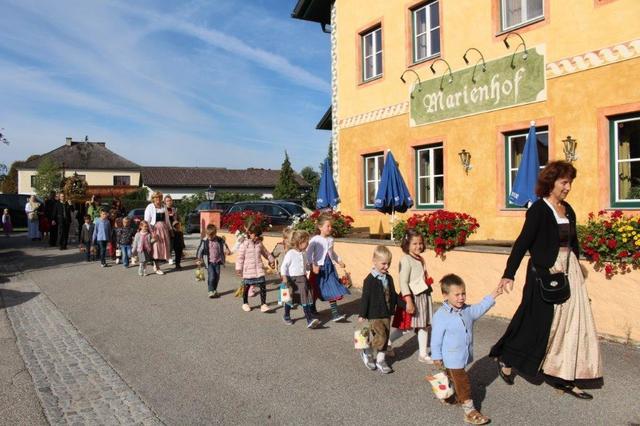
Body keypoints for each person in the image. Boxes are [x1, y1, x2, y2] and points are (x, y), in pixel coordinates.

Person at [490, 161, 602, 400]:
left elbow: (572, 242)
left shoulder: (568, 209)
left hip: (568, 271)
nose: (568, 187)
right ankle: (507, 357)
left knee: (572, 324)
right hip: (544, 273)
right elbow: (522, 243)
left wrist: (577, 267)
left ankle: (564, 375)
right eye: (564, 182)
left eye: (570, 182)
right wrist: (509, 273)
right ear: (550, 183)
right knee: (535, 321)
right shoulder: (539, 210)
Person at [431, 274, 502, 425]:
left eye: (463, 293)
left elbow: (481, 307)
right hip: (451, 357)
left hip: (462, 355)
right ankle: (470, 411)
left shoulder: (467, 310)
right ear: (445, 295)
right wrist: (436, 356)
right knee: (463, 382)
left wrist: (494, 294)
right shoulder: (441, 315)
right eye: (456, 294)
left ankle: (449, 397)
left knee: (453, 378)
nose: (461, 298)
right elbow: (436, 339)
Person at [391, 229, 434, 363]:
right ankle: (385, 343)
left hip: (423, 296)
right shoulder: (406, 260)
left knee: (424, 325)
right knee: (404, 328)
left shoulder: (420, 258)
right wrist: (409, 301)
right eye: (414, 243)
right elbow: (403, 282)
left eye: (420, 243)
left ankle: (422, 354)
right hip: (411, 297)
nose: (418, 246)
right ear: (407, 244)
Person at [358, 245, 398, 374]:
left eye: (389, 263)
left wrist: (405, 305)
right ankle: (367, 350)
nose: (386, 266)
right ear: (374, 261)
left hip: (386, 313)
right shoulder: (369, 280)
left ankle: (380, 360)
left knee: (385, 337)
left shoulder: (389, 278)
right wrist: (362, 314)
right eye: (383, 263)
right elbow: (365, 298)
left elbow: (393, 295)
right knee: (381, 336)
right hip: (374, 314)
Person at [307, 213, 349, 321]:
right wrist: (313, 265)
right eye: (328, 226)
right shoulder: (315, 239)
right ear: (320, 227)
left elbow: (332, 253)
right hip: (318, 269)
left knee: (332, 288)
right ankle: (312, 309)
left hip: (329, 268)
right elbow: (308, 253)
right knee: (315, 290)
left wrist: (339, 261)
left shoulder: (331, 239)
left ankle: (335, 314)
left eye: (331, 226)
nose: (330, 228)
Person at [280, 230, 320, 328]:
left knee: (305, 298)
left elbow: (306, 266)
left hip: (302, 279)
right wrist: (284, 278)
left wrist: (309, 267)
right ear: (300, 242)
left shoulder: (304, 253)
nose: (308, 243)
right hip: (292, 280)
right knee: (290, 299)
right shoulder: (290, 253)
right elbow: (283, 267)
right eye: (307, 241)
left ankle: (309, 319)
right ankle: (286, 315)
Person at [235, 223, 275, 312]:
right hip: (248, 269)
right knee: (247, 286)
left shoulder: (259, 243)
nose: (256, 237)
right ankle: (245, 303)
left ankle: (263, 304)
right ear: (249, 233)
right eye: (255, 234)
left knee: (263, 285)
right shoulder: (244, 244)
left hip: (259, 269)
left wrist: (271, 260)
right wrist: (238, 268)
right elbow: (240, 258)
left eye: (258, 235)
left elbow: (266, 253)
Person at [196, 224, 231, 298]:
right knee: (212, 276)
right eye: (208, 235)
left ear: (215, 233)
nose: (209, 237)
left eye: (211, 236)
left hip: (217, 261)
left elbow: (224, 246)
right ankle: (210, 291)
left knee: (217, 276)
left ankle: (214, 289)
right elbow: (200, 250)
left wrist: (227, 250)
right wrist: (198, 258)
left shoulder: (219, 240)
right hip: (209, 262)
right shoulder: (205, 241)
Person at [144, 192, 172, 275]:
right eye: (156, 198)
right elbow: (147, 221)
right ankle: (157, 267)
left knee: (162, 248)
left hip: (163, 230)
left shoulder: (164, 207)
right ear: (153, 199)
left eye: (159, 197)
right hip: (155, 230)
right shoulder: (150, 207)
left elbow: (167, 220)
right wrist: (152, 232)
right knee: (156, 248)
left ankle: (156, 265)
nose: (158, 199)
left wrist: (170, 230)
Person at [164, 195, 178, 264]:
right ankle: (167, 257)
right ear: (165, 202)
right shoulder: (163, 209)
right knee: (166, 243)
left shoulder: (174, 209)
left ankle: (169, 257)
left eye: (170, 200)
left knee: (171, 243)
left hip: (173, 228)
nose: (169, 202)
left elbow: (176, 219)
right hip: (166, 228)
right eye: (167, 201)